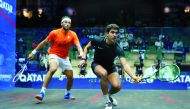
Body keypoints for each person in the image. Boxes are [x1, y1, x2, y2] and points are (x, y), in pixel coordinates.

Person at [78, 24, 141, 109]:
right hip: (97, 64)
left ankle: (109, 95)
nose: (115, 34)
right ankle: (107, 101)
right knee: (103, 73)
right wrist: (83, 59)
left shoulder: (118, 48)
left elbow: (125, 65)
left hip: (110, 67)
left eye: (116, 33)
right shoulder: (97, 40)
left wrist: (133, 77)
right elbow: (86, 48)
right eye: (112, 32)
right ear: (106, 34)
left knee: (117, 87)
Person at [28, 16, 83, 101]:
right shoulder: (54, 33)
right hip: (54, 54)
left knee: (70, 77)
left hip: (65, 57)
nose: (67, 24)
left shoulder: (73, 34)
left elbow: (78, 45)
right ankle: (42, 92)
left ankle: (67, 93)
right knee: (53, 69)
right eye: (65, 22)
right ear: (61, 23)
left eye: (69, 23)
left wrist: (81, 54)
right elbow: (44, 42)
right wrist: (33, 52)